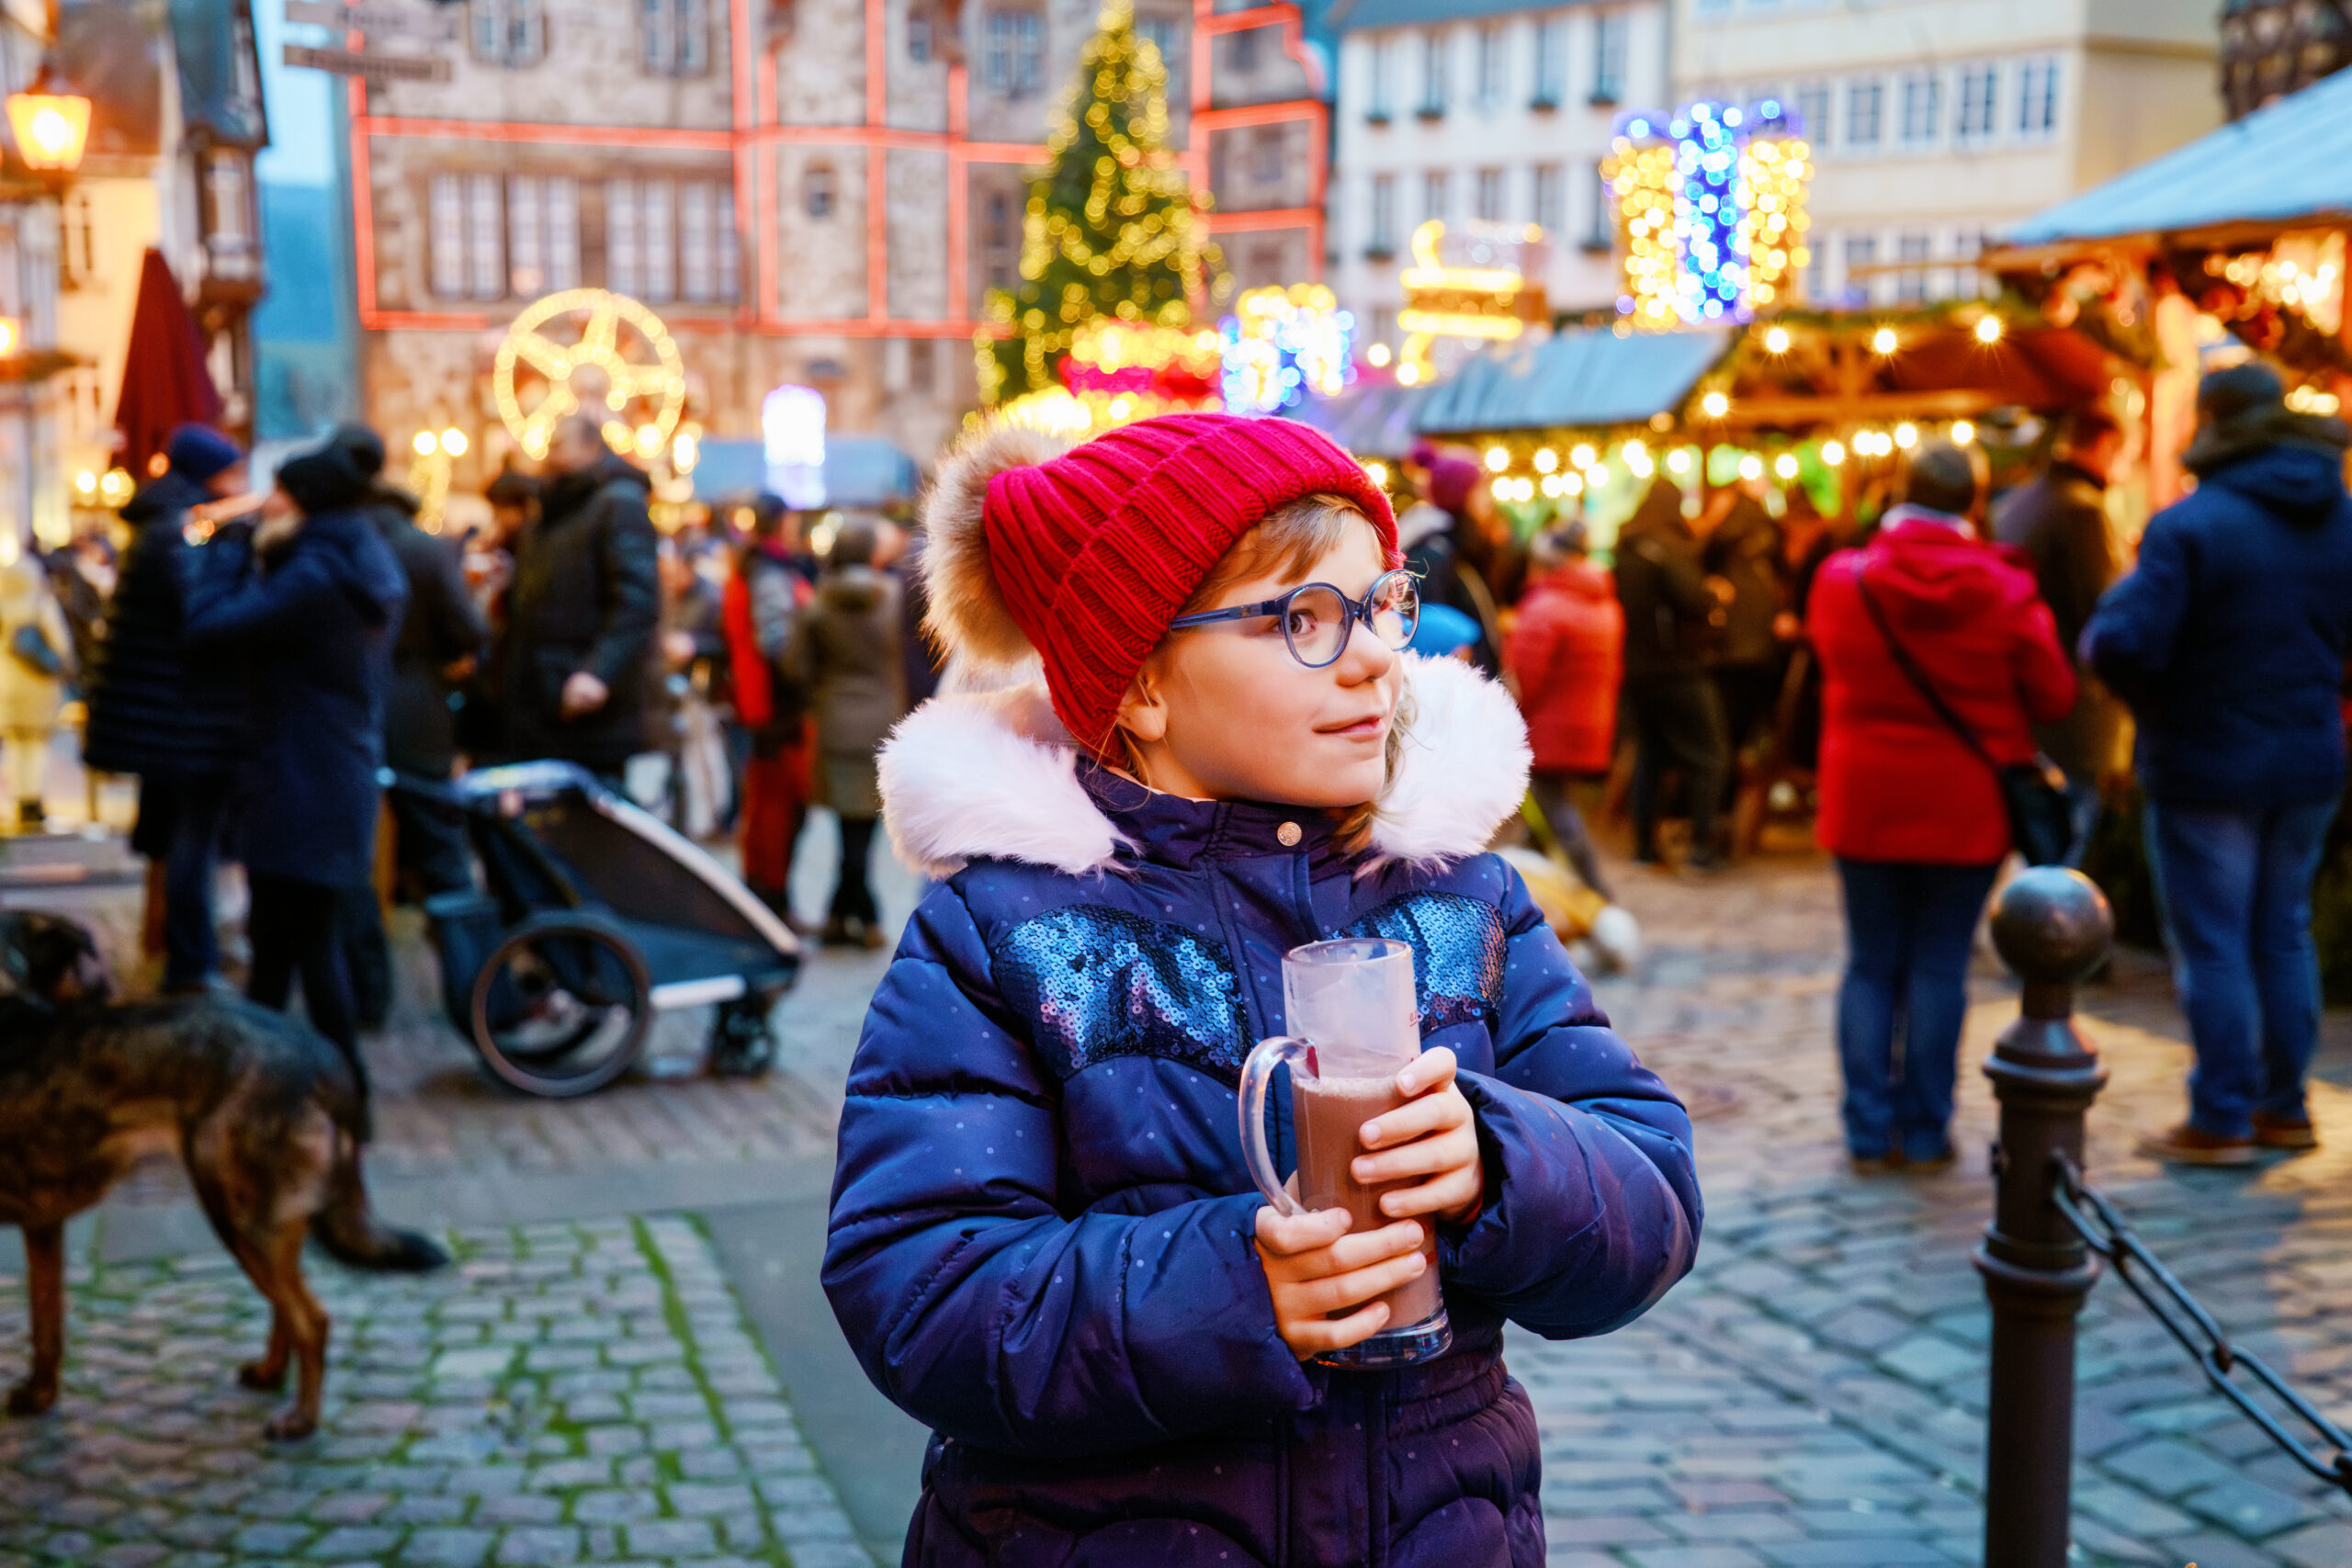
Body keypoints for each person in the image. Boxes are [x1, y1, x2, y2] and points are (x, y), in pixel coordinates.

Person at [825, 412, 1699, 1566]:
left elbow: (1652, 1188)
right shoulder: (1002, 935)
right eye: (1304, 619)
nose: (1377, 652)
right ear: (1138, 684)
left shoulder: (1459, 896)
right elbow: (924, 1291)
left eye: (1381, 601)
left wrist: (1498, 1159)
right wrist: (1235, 1287)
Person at [2082, 364, 2352, 1166]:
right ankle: (2283, 1106)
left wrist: (2156, 704)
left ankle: (2224, 1114)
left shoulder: (2192, 524)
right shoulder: (2342, 517)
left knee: (2217, 943)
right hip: (2306, 754)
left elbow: (2119, 643)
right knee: (2282, 931)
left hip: (2206, 761)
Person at [1808, 443, 2076, 1171]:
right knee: (1938, 966)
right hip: (1965, 806)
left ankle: (1868, 1127)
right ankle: (1925, 1128)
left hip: (1864, 800)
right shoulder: (2001, 586)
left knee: (1870, 964)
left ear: (1900, 491)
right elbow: (2054, 691)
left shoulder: (1842, 580)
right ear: (1975, 501)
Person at [179, 439, 408, 1099]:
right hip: (322, 771)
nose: (263, 501)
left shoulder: (313, 575)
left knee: (304, 945)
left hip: (301, 777)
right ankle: (270, 1083)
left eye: (275, 490)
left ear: (304, 500)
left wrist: (226, 548)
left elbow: (209, 626)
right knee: (285, 947)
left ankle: (339, 1087)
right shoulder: (353, 557)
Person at [81, 423, 252, 993]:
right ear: (210, 475)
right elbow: (201, 614)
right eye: (234, 471)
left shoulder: (168, 526)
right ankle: (192, 963)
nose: (243, 482)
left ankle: (191, 955)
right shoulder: (177, 534)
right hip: (182, 721)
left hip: (169, 719)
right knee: (192, 844)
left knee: (185, 841)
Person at [328, 424, 488, 897]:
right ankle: (467, 959)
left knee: (347, 842)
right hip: (416, 705)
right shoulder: (421, 548)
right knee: (438, 841)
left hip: (344, 704)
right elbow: (467, 630)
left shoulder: (327, 542)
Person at [1994, 406, 2128, 864]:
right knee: (2070, 839)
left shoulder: (2027, 500)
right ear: (2105, 446)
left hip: (2034, 695)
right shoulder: (2080, 510)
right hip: (2072, 702)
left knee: (2047, 833)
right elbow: (2103, 605)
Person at [503, 415, 660, 782]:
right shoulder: (550, 510)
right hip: (541, 698)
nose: (549, 455)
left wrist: (597, 672)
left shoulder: (617, 504)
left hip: (586, 705)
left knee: (588, 821)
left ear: (590, 447)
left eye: (560, 444)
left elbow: (636, 600)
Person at [786, 516, 903, 947]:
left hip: (834, 724)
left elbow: (796, 667)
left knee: (844, 828)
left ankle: (843, 916)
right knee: (865, 829)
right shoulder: (895, 599)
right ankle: (863, 916)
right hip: (883, 723)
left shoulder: (817, 604)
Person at [1613, 476, 1730, 870]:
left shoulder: (1625, 548)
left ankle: (1644, 847)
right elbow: (1693, 600)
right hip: (1677, 668)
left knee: (1651, 755)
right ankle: (1702, 849)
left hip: (1637, 669)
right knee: (1708, 756)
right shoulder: (1667, 548)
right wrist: (1715, 593)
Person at [1506, 523, 1623, 898]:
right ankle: (1517, 894)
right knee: (1542, 814)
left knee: (1555, 811)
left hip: (1548, 726)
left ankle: (1597, 893)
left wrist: (1509, 715)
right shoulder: (1604, 601)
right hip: (1590, 721)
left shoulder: (1544, 607)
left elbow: (1525, 678)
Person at [723, 496, 812, 919]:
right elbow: (778, 644)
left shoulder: (752, 566)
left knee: (764, 805)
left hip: (759, 701)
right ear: (779, 525)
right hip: (778, 707)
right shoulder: (771, 572)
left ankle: (764, 895)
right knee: (779, 809)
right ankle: (770, 903)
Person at [1702, 479, 1785, 793]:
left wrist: (1713, 520)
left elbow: (1694, 561)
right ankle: (1740, 802)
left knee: (1723, 733)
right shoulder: (1769, 529)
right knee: (1752, 734)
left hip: (1728, 649)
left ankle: (1722, 803)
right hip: (1763, 649)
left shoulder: (1721, 536)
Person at [0, 540, 73, 829]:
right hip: (38, 683)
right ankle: (32, 798)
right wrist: (67, 666)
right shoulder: (39, 603)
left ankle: (19, 796)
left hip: (7, 685)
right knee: (37, 743)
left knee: (16, 743)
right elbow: (60, 640)